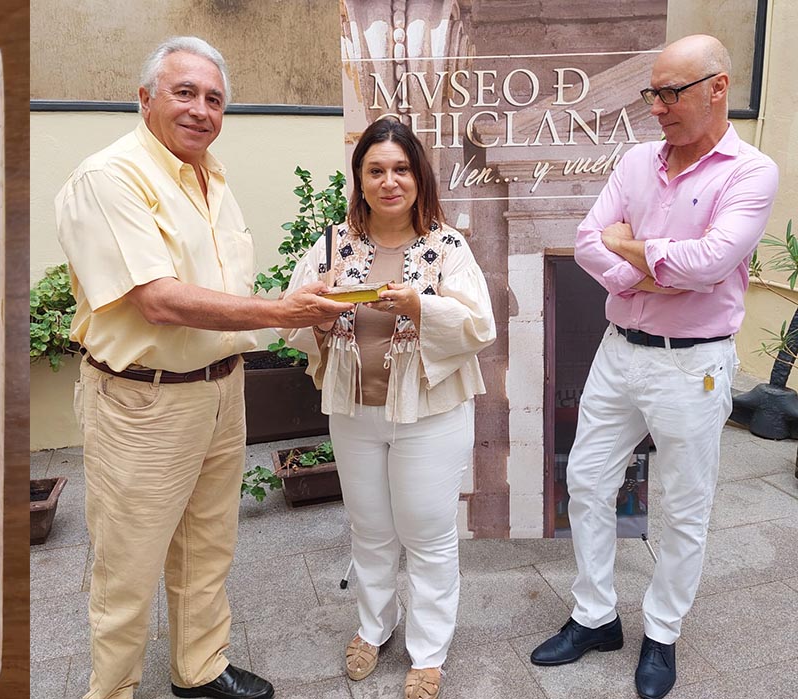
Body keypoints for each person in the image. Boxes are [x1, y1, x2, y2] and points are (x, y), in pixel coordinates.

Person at [56, 36, 352, 699]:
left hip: (221, 391)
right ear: (145, 98)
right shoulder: (111, 178)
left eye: (214, 99)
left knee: (207, 544)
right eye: (184, 92)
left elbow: (213, 289)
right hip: (143, 401)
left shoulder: (210, 176)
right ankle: (112, 688)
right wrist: (283, 312)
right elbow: (157, 300)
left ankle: (199, 666)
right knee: (126, 568)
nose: (201, 109)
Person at [529, 35, 778, 699]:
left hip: (692, 365)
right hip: (619, 350)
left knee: (684, 505)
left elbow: (712, 263)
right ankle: (596, 615)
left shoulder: (751, 172)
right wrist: (654, 272)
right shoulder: (638, 161)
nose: (657, 108)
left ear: (717, 88)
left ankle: (662, 632)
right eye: (653, 93)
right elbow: (589, 239)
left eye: (672, 93)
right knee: (584, 479)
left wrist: (634, 252)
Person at [286, 115, 496, 699]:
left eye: (400, 169)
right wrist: (317, 313)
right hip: (354, 410)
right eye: (375, 170)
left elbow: (480, 325)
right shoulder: (334, 243)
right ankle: (374, 627)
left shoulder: (446, 247)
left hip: (429, 415)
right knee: (371, 528)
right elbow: (293, 315)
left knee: (427, 533)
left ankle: (428, 651)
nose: (388, 181)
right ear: (360, 178)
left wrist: (422, 306)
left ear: (418, 176)